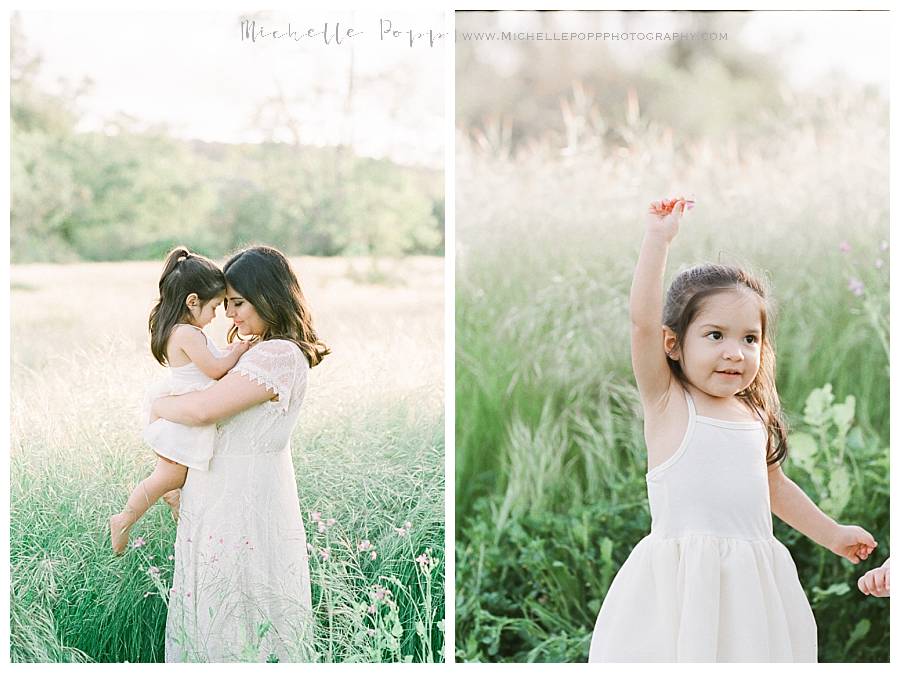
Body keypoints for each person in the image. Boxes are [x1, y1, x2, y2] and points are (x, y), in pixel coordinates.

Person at [588, 198, 877, 662]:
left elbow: (775, 488)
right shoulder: (668, 402)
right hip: (683, 588)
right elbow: (641, 324)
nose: (735, 353)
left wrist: (832, 533)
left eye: (750, 339)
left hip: (752, 585)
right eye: (715, 335)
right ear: (674, 343)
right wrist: (658, 240)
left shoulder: (753, 416)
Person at [150, 245, 329, 663]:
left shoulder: (279, 355)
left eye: (238, 303)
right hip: (218, 494)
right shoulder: (259, 348)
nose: (230, 315)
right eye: (227, 304)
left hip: (246, 499)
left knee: (245, 608)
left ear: (270, 295)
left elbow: (201, 409)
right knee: (213, 606)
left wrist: (156, 407)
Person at [110, 246, 248, 554]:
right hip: (183, 412)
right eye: (214, 307)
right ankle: (124, 519)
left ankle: (172, 495)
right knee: (168, 474)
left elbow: (209, 363)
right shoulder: (188, 334)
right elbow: (214, 370)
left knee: (174, 474)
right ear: (193, 301)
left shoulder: (180, 330)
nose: (216, 316)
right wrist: (238, 352)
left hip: (179, 407)